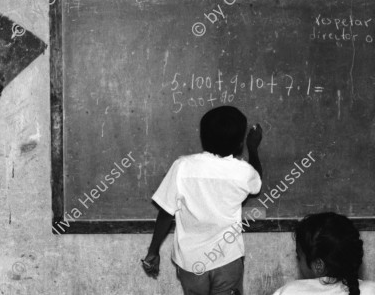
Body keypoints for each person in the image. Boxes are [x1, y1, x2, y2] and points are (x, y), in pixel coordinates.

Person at [142, 106, 263, 295]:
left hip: (191, 263)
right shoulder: (243, 171)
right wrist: (253, 149)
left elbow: (166, 213)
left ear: (203, 137)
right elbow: (257, 182)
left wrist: (153, 251)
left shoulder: (183, 167)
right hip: (228, 260)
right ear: (240, 143)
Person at [272, 212, 375, 295]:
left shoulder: (288, 291)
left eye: (299, 258)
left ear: (318, 265)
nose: (298, 262)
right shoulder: (371, 290)